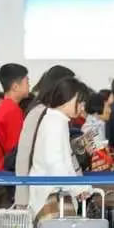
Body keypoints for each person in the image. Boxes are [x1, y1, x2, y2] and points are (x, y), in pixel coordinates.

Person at [26, 77, 91, 220]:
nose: (82, 107)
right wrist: (77, 188)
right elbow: (55, 164)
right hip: (51, 196)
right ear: (67, 98)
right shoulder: (55, 123)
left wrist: (77, 188)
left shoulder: (57, 120)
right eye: (80, 102)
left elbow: (62, 163)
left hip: (53, 194)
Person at [13, 66, 74, 208]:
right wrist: (23, 197)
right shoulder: (43, 113)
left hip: (47, 191)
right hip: (41, 194)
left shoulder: (51, 113)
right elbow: (26, 155)